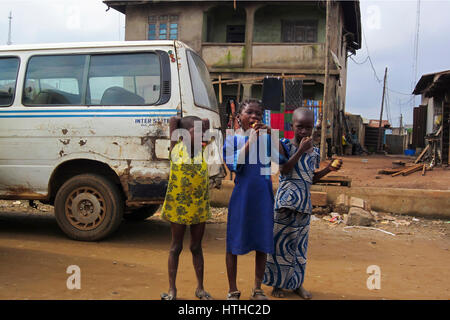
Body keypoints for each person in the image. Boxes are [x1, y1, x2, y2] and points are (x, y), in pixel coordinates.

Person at [263, 107, 342, 299]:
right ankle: (277, 285)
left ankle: (297, 284)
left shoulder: (314, 152)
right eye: (300, 127)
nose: (304, 132)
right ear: (292, 126)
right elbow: (284, 170)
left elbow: (310, 178)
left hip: (304, 205)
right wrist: (299, 151)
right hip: (285, 203)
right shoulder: (283, 145)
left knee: (299, 248)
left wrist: (329, 170)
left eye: (308, 127)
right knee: (279, 245)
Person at [223, 99, 274, 300]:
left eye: (258, 115)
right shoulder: (231, 140)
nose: (254, 117)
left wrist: (270, 134)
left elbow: (281, 158)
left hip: (263, 197)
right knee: (233, 243)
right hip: (242, 198)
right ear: (239, 118)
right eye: (250, 113)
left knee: (262, 243)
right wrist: (250, 141)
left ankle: (257, 288)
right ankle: (233, 289)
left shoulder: (266, 139)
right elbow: (235, 165)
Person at [160, 115, 212, 300]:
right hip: (179, 206)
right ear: (182, 135)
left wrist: (201, 127)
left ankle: (200, 288)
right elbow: (174, 120)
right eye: (194, 133)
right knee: (176, 247)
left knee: (196, 247)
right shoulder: (175, 149)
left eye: (201, 134)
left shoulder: (202, 150)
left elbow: (205, 124)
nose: (199, 137)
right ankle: (172, 290)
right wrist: (180, 124)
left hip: (198, 207)